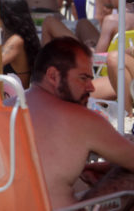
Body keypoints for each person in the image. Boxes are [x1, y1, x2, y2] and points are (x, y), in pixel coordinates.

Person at [26, 37, 134, 208]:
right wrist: (115, 167)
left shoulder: (5, 108)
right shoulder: (79, 117)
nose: (91, 87)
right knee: (129, 174)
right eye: (83, 78)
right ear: (53, 76)